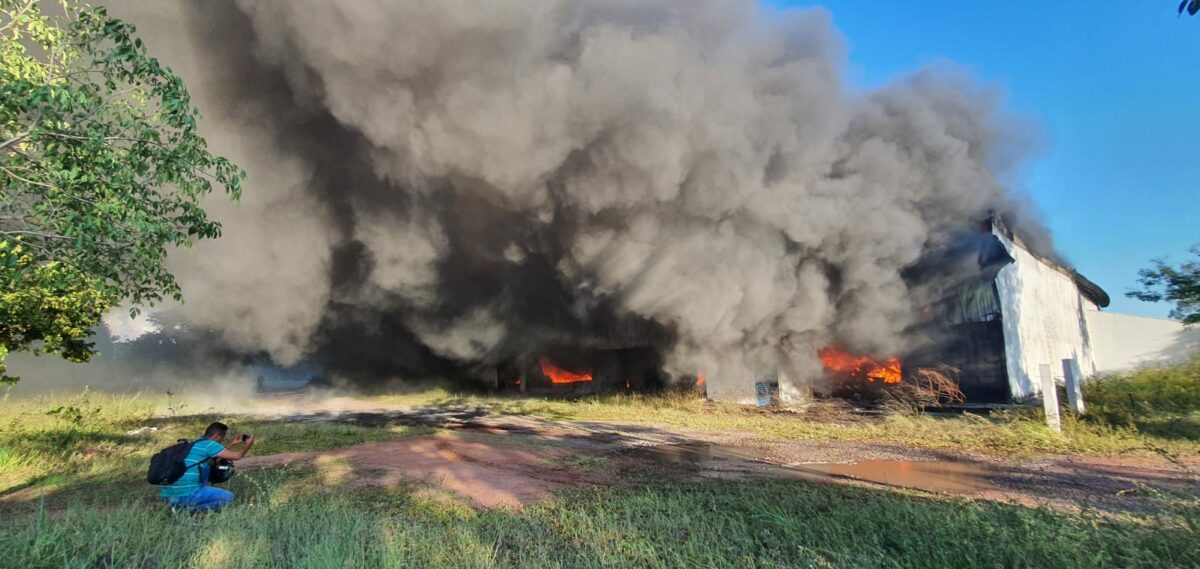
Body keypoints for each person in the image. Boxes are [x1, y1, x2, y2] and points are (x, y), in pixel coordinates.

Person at [160, 421, 255, 512]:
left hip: (169, 495)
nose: (222, 441)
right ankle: (186, 509)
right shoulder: (210, 444)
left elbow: (216, 459)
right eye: (222, 438)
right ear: (216, 436)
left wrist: (232, 444)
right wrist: (248, 444)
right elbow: (237, 456)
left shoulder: (195, 443)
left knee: (205, 466)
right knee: (228, 497)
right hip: (186, 494)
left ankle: (178, 505)